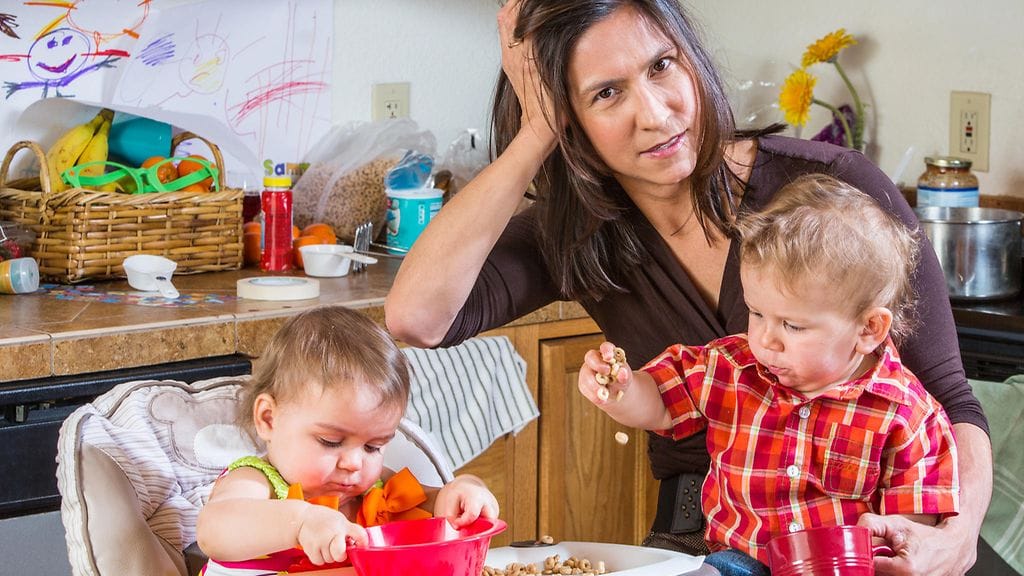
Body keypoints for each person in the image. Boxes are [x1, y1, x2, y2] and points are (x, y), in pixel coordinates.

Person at [384, 1, 991, 573]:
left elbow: (948, 397)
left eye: (661, 65)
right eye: (605, 93)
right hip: (704, 541)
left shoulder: (833, 197)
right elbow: (416, 317)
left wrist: (954, 542)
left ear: (690, 58)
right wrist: (536, 132)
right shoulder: (577, 233)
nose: (654, 113)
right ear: (570, 120)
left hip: (862, 545)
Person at [577, 174, 960, 576]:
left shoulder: (909, 416)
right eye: (757, 313)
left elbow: (912, 535)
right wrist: (621, 389)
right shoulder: (732, 367)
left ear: (868, 330)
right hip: (740, 562)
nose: (766, 339)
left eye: (792, 326)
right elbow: (658, 403)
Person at [195, 306, 499, 574]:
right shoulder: (256, 482)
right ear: (268, 419)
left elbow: (437, 504)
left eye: (373, 447)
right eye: (330, 441)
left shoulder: (374, 488)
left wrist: (465, 491)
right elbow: (213, 531)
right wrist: (300, 523)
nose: (354, 463)